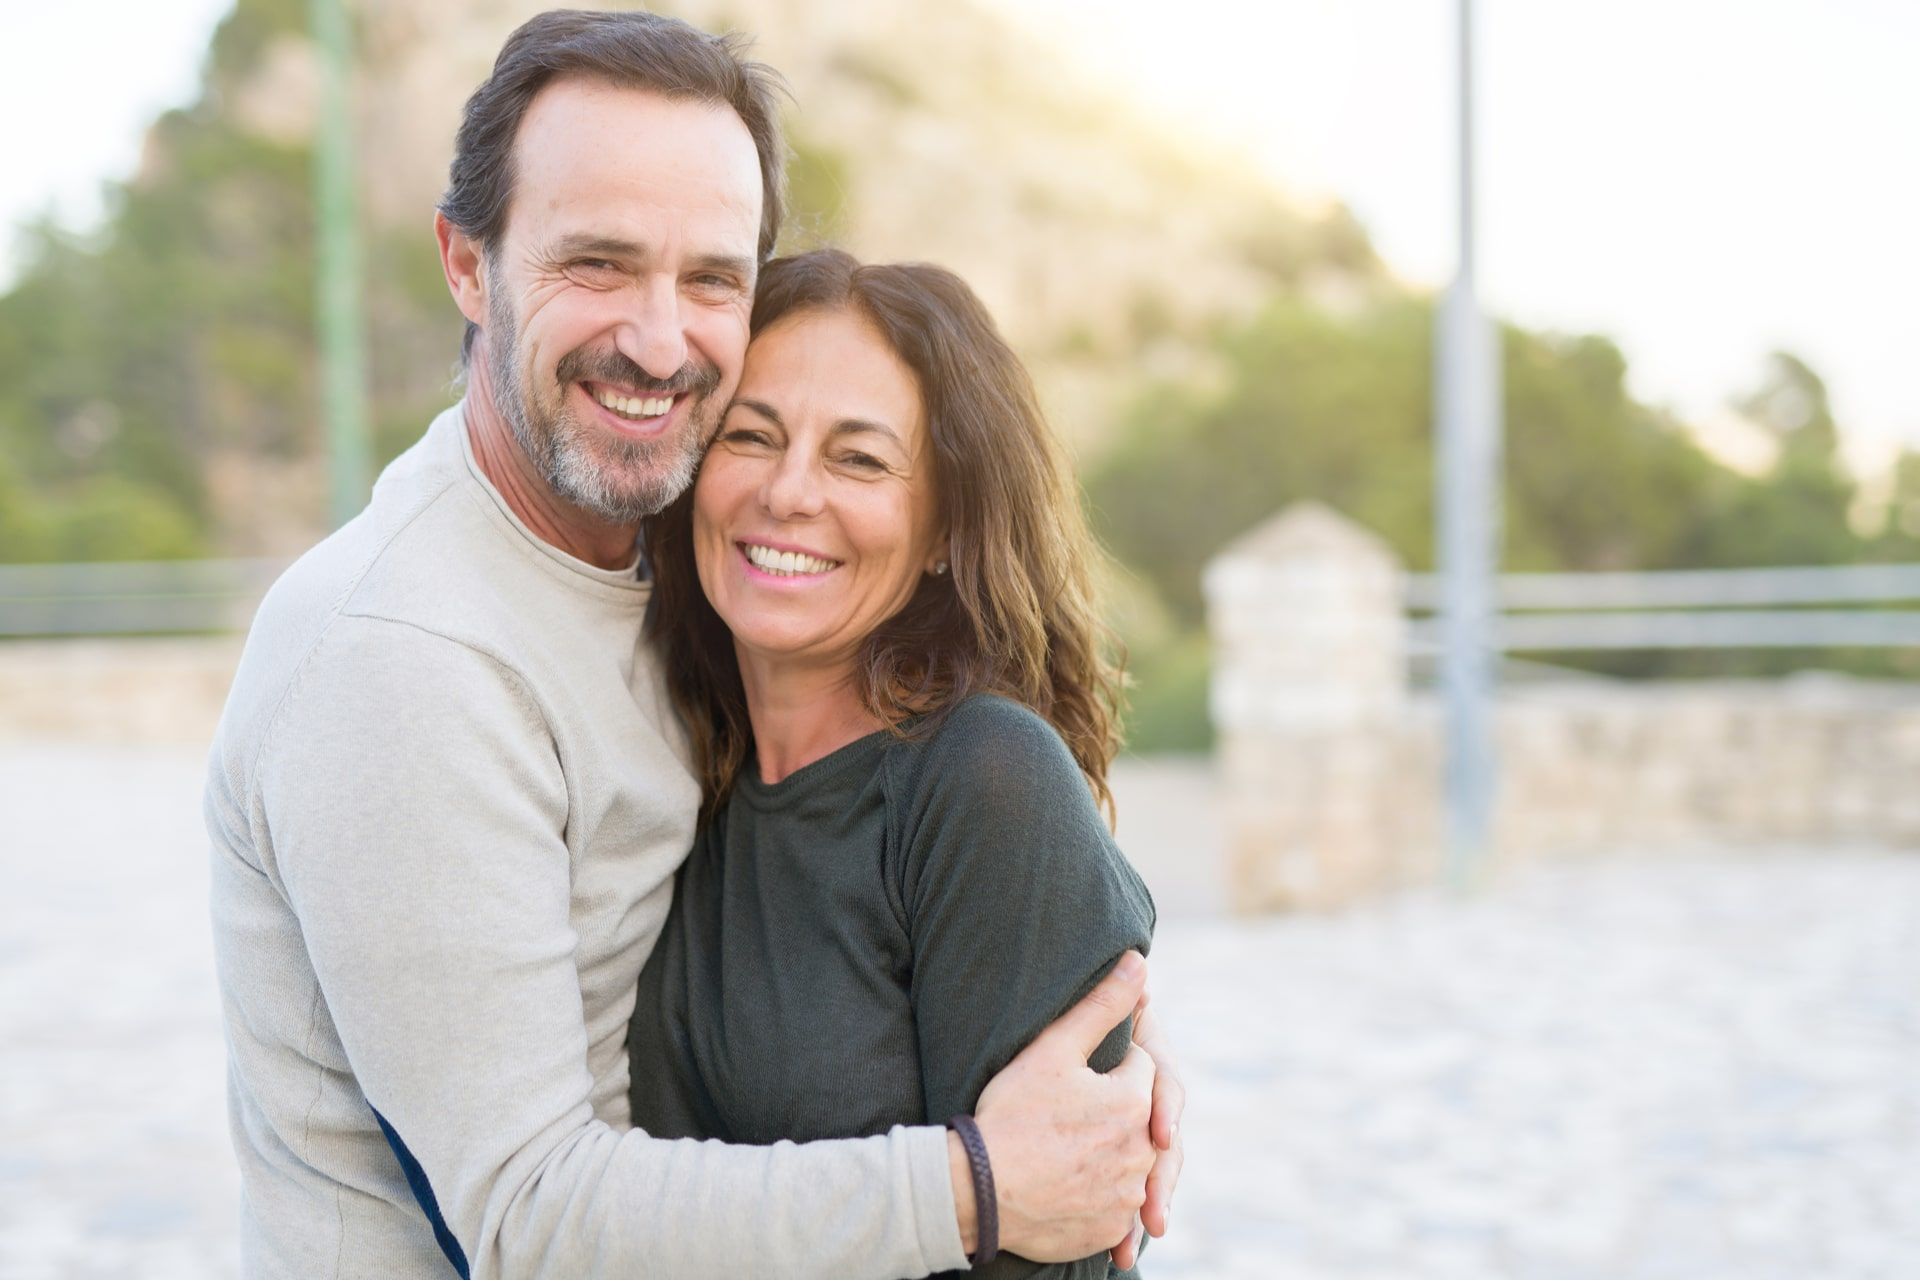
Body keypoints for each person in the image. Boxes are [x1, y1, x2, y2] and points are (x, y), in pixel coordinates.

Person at [203, 10, 1183, 1278]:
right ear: (465, 263)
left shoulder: (665, 573)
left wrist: (1093, 1079)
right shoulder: (405, 654)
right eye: (597, 263)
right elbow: (534, 1216)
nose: (660, 342)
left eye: (712, 277)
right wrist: (981, 1186)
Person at [628, 250, 1157, 1280]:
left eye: (859, 461)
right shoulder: (668, 756)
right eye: (751, 435)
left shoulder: (986, 782)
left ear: (944, 533)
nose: (788, 493)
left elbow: (1063, 1241)